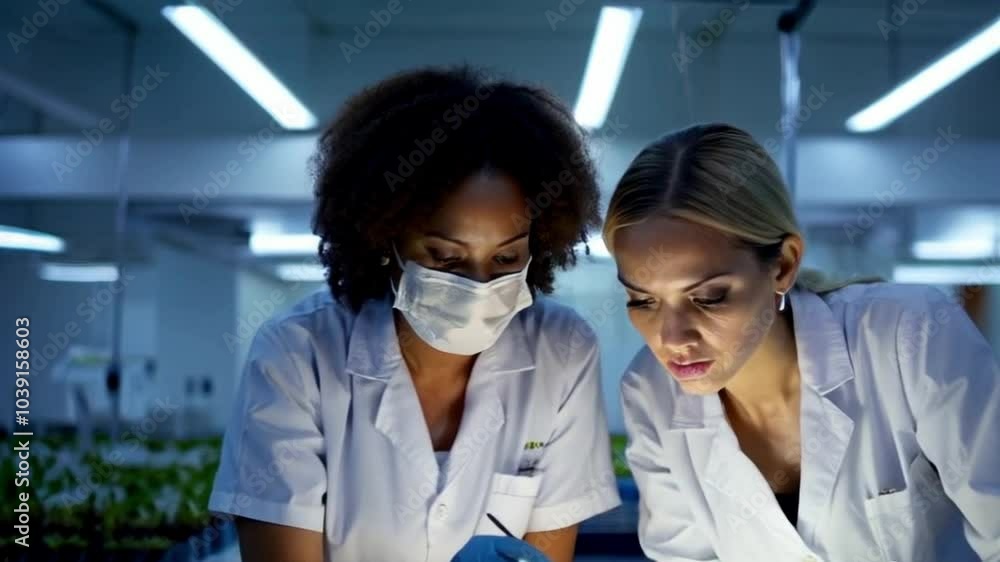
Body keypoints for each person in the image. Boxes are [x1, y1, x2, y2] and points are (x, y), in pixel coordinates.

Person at [207, 66, 621, 562]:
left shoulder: (563, 351)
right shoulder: (297, 355)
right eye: (445, 257)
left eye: (506, 257)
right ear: (387, 238)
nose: (478, 285)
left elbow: (545, 552)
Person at [604, 123, 1000, 561]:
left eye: (709, 297)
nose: (672, 338)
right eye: (642, 300)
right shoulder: (650, 391)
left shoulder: (909, 335)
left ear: (783, 265)